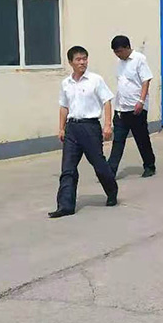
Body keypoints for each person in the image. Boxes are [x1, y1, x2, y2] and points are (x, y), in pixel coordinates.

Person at [50, 46, 118, 218]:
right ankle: (65, 205)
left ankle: (111, 191)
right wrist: (61, 128)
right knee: (68, 168)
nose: (82, 62)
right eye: (78, 59)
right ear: (70, 62)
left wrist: (107, 125)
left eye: (84, 59)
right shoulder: (66, 83)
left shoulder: (95, 80)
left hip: (90, 127)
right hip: (72, 128)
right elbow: (64, 107)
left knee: (99, 165)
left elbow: (107, 101)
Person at [107, 35, 157, 179]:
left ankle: (149, 165)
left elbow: (146, 80)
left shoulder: (139, 59)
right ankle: (110, 171)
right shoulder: (119, 62)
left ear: (128, 48)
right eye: (115, 52)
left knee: (141, 139)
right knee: (118, 141)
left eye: (120, 51)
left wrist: (141, 101)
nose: (118, 54)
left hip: (136, 108)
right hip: (121, 108)